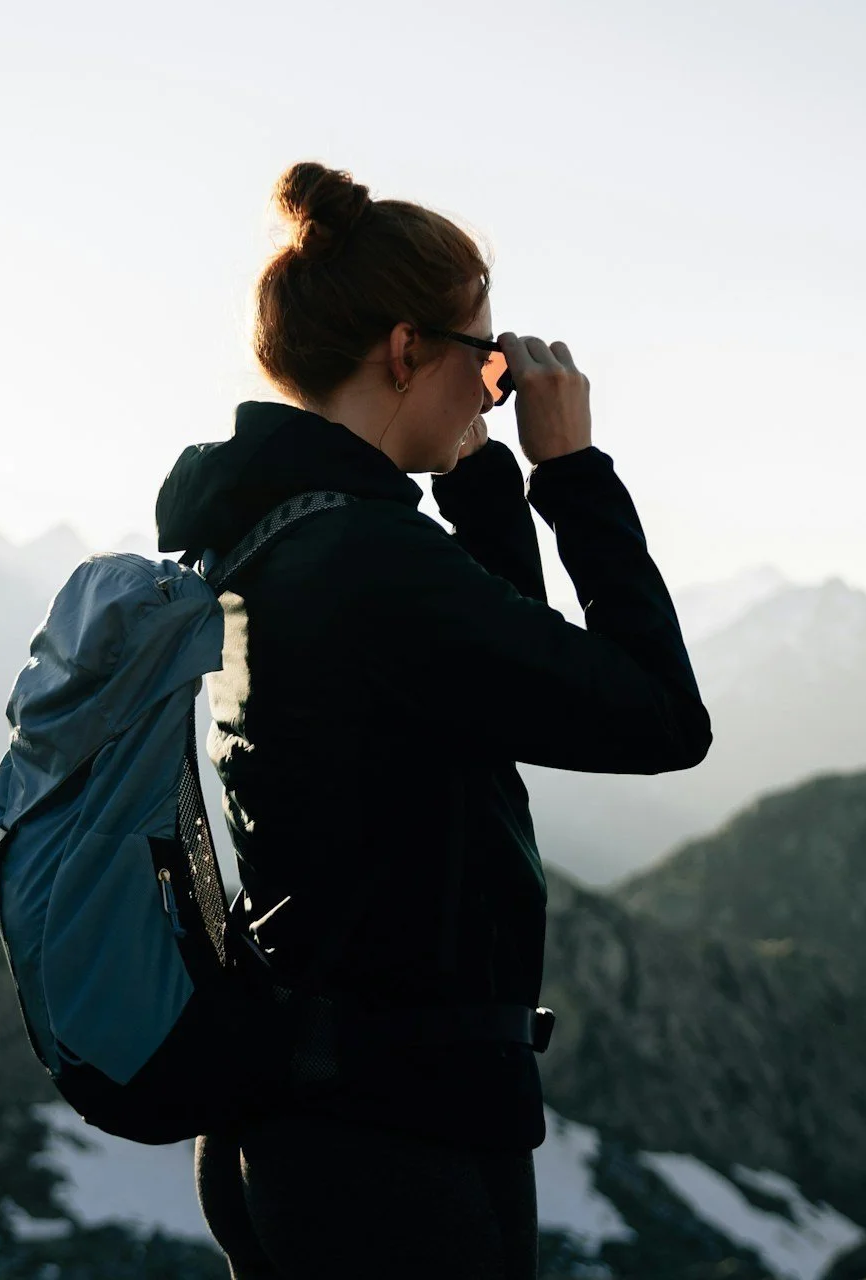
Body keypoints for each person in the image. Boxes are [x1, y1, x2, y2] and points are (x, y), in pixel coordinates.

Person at [153, 161, 712, 1280]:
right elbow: (658, 716)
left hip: (306, 1114)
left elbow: (483, 692)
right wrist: (574, 471)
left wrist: (477, 480)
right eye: (484, 356)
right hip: (391, 1144)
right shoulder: (365, 558)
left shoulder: (270, 531)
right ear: (407, 351)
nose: (496, 387)